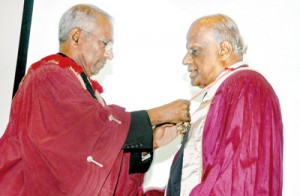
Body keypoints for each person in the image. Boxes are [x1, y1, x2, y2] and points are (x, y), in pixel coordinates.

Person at [0, 4, 191, 195]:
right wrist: (156, 115)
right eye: (105, 43)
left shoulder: (74, 81)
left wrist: (152, 141)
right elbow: (90, 130)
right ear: (76, 37)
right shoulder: (49, 76)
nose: (110, 54)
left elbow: (87, 156)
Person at [144, 14, 283, 196]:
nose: (185, 60)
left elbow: (239, 180)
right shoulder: (229, 89)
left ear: (224, 50)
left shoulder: (247, 87)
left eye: (194, 50)